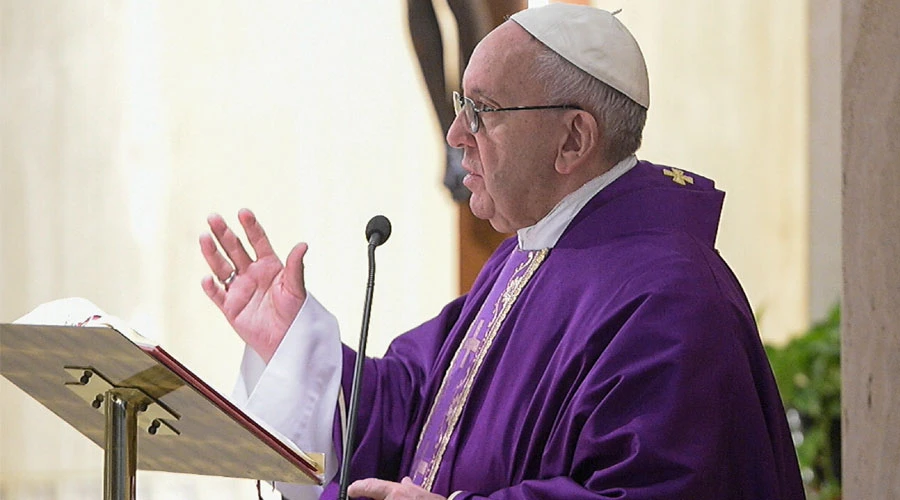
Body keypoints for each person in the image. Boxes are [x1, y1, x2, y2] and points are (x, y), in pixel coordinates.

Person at [199, 4, 805, 499]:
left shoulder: (672, 301)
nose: (456, 134)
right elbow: (417, 404)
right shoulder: (529, 256)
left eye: (482, 112)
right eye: (462, 107)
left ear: (573, 139)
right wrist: (294, 348)